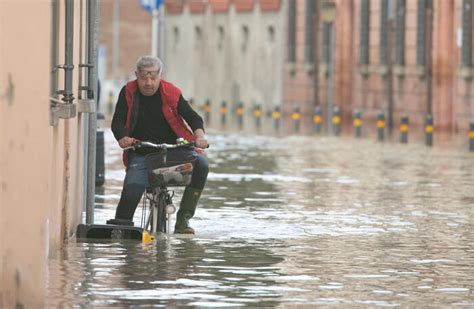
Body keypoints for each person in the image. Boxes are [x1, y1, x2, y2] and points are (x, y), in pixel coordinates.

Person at [109, 55, 209, 234]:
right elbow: (117, 121)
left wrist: (199, 136)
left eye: (153, 77)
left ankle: (183, 220)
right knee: (131, 192)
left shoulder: (171, 92)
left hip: (173, 151)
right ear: (136, 75)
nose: (149, 83)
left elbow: (194, 118)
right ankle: (122, 232)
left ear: (160, 76)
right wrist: (122, 137)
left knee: (201, 164)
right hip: (141, 152)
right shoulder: (128, 92)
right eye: (144, 78)